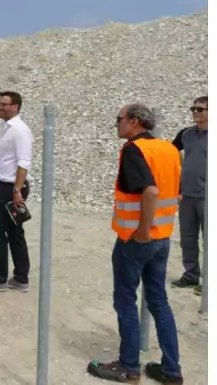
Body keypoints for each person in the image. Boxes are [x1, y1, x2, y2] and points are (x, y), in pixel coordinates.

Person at [87, 103, 183, 384]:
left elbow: (151, 191)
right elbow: (176, 194)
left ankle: (129, 368)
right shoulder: (168, 149)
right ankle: (171, 370)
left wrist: (142, 229)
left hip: (136, 239)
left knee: (126, 301)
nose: (117, 124)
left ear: (135, 122)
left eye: (119, 119)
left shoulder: (133, 150)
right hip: (163, 238)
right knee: (159, 302)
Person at [0, 91, 34, 292]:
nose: (0, 108)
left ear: (15, 106)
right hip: (8, 185)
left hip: (11, 188)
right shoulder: (6, 129)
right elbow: (4, 161)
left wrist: (17, 190)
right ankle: (21, 278)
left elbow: (23, 163)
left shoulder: (20, 130)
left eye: (4, 104)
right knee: (14, 231)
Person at [169, 96, 207, 295]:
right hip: (187, 194)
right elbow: (171, 151)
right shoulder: (186, 134)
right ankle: (191, 276)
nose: (195, 112)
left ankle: (209, 282)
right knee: (188, 237)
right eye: (193, 108)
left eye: (200, 109)